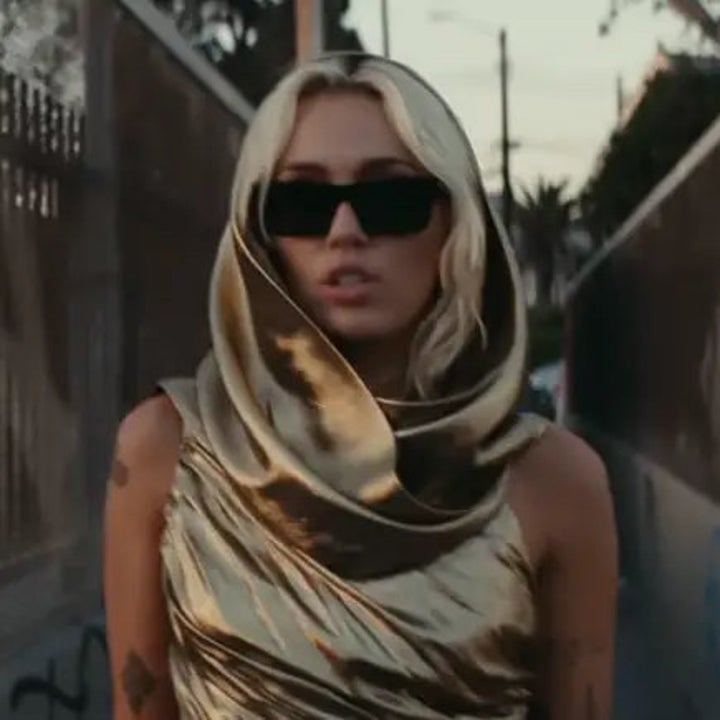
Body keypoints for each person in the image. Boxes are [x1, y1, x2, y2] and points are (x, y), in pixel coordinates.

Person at [104, 52, 618, 720]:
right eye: (303, 202)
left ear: (455, 223)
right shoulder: (162, 456)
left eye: (390, 200)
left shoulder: (556, 483)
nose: (344, 232)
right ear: (259, 233)